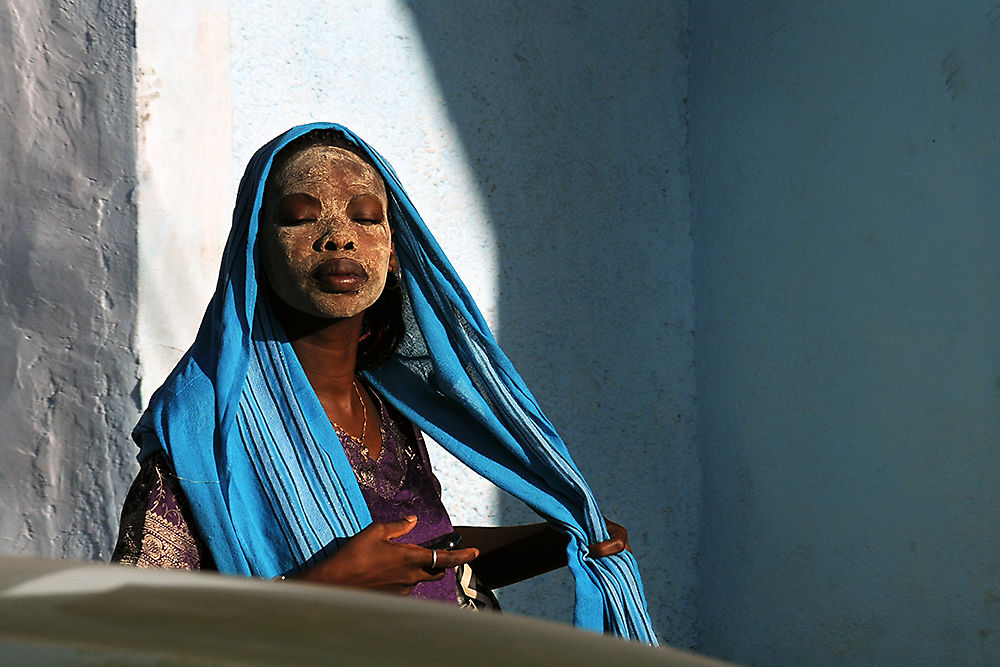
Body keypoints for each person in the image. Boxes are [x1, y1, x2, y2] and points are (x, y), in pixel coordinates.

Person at [112, 123, 657, 643]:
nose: (338, 239)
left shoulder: (389, 405)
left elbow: (420, 557)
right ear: (255, 252)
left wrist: (557, 541)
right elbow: (134, 633)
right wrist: (315, 591)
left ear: (395, 252)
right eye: (301, 219)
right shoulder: (206, 429)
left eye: (367, 218)